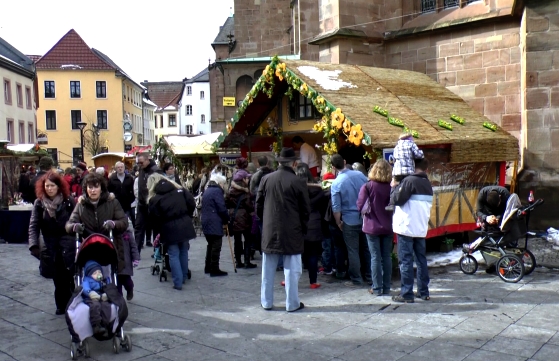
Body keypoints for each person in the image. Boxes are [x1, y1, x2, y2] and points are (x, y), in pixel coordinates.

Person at [256, 147, 310, 312]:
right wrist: (303, 227)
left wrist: (265, 221)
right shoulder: (298, 182)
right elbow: (305, 210)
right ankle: (292, 303)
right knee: (292, 271)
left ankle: (266, 301)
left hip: (270, 229)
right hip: (292, 230)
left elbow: (258, 205)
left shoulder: (266, 179)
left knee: (268, 270)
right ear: (293, 163)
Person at [66, 172, 129, 288]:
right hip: (88, 248)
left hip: (109, 247)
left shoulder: (112, 202)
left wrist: (113, 224)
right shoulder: (81, 205)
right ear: (86, 189)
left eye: (96, 187)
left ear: (101, 188)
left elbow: (124, 222)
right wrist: (74, 226)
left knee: (112, 277)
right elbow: (69, 224)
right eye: (90, 187)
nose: (93, 190)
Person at [28, 170, 76, 315]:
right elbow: (34, 224)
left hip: (67, 241)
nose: (49, 189)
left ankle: (71, 301)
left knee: (68, 274)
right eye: (47, 186)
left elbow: (76, 218)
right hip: (49, 244)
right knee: (57, 276)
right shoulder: (39, 203)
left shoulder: (68, 201)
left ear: (58, 186)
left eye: (52, 186)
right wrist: (33, 244)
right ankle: (62, 304)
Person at [391, 158, 433, 303]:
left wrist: (395, 185)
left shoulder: (409, 181)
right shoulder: (427, 184)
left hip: (406, 227)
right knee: (421, 260)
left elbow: (397, 199)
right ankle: (423, 291)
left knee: (406, 261)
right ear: (425, 169)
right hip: (420, 228)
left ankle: (406, 293)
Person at [148, 173, 196, 290]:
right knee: (184, 251)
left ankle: (177, 282)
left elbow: (154, 217)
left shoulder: (155, 199)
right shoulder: (180, 191)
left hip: (168, 227)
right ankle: (183, 276)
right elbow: (192, 204)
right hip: (185, 224)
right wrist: (187, 216)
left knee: (173, 254)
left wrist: (160, 229)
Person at [330, 154, 371, 287]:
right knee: (366, 248)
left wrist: (338, 222)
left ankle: (357, 278)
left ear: (333, 167)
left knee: (353, 250)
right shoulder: (360, 175)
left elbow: (336, 207)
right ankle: (370, 275)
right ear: (345, 161)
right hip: (365, 217)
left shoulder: (336, 183)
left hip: (349, 220)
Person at [357, 159, 393, 296]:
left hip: (372, 226)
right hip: (388, 226)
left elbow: (360, 206)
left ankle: (377, 288)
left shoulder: (367, 186)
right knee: (387, 257)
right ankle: (387, 286)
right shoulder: (392, 187)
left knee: (375, 257)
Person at [296, 163, 327, 289]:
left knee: (295, 255)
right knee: (313, 254)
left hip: (298, 224)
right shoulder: (318, 190)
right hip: (314, 223)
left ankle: (291, 279)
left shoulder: (295, 190)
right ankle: (313, 281)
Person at [386, 132, 424, 211]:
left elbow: (394, 158)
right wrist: (421, 153)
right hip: (408, 171)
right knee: (407, 187)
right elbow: (418, 155)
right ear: (410, 138)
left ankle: (391, 204)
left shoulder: (397, 146)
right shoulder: (411, 144)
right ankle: (407, 203)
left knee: (394, 185)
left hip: (397, 171)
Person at [201, 173, 230, 276]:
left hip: (206, 220)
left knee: (211, 244)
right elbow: (221, 208)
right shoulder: (217, 191)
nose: (224, 185)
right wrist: (227, 218)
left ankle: (208, 267)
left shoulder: (208, 190)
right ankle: (214, 268)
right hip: (214, 220)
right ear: (220, 183)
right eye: (223, 183)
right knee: (216, 245)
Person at [226, 169, 256, 269]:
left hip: (234, 217)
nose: (248, 179)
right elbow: (250, 206)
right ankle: (247, 262)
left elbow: (226, 203)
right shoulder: (245, 192)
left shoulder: (230, 191)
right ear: (243, 179)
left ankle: (238, 262)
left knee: (237, 240)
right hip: (244, 218)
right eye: (247, 178)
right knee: (247, 239)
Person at [135, 153, 162, 251]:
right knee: (138, 227)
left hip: (153, 204)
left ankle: (157, 251)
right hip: (142, 204)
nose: (139, 164)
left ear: (147, 160)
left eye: (141, 162)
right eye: (138, 163)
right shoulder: (141, 169)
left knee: (156, 228)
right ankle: (136, 251)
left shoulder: (156, 171)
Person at [81, 260, 110, 336]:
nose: (98, 274)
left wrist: (107, 293)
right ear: (90, 275)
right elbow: (85, 287)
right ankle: (96, 324)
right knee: (95, 306)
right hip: (91, 297)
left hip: (102, 296)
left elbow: (109, 286)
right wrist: (90, 293)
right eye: (95, 273)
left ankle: (105, 324)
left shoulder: (103, 280)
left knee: (106, 306)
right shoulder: (87, 280)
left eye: (99, 272)